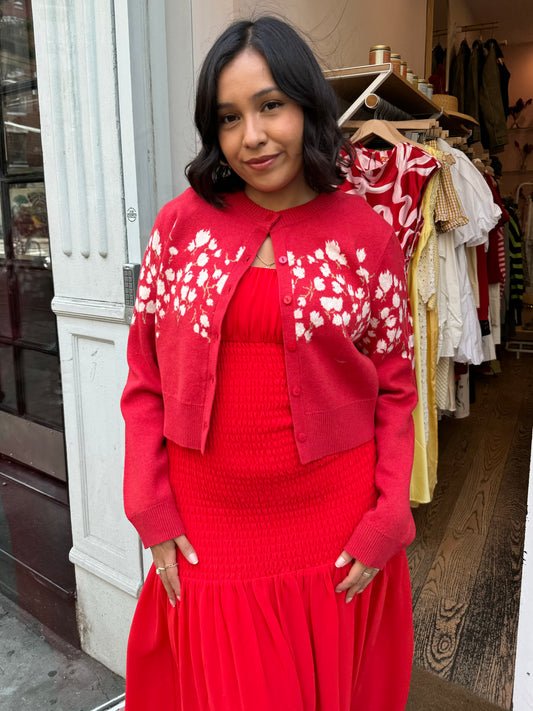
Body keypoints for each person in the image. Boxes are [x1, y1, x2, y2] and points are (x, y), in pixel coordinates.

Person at [121, 16, 417, 711]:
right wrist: (151, 509)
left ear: (307, 106)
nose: (250, 136)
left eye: (269, 105)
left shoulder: (366, 238)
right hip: (208, 532)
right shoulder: (178, 227)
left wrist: (387, 517)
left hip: (332, 531)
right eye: (228, 117)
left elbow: (396, 391)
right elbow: (144, 381)